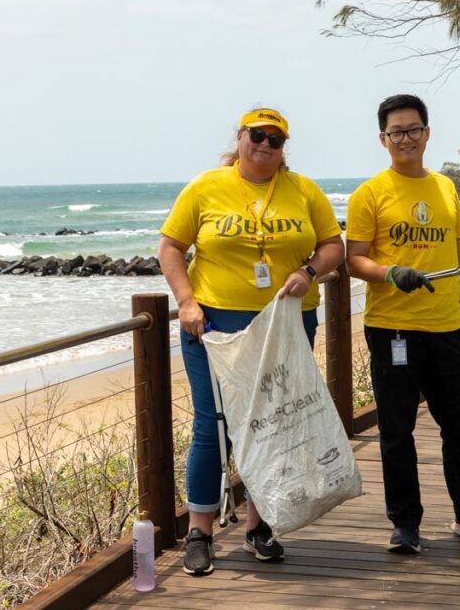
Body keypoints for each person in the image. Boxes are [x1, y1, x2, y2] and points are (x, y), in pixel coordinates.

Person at [158, 107, 345, 576]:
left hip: (286, 321)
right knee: (213, 424)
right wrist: (185, 302)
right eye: (256, 136)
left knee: (274, 424)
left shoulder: (302, 189)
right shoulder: (206, 187)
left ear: (284, 148)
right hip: (215, 323)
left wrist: (308, 272)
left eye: (275, 140)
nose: (265, 145)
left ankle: (260, 526)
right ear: (240, 137)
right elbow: (170, 248)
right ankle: (200, 531)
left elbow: (333, 245)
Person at [345, 94, 460, 554]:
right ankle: (405, 524)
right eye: (396, 132)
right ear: (383, 139)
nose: (405, 138)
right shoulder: (370, 193)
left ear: (427, 132)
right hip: (394, 330)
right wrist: (391, 274)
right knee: (396, 432)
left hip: (447, 327)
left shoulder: (445, 188)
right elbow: (353, 260)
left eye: (413, 129)